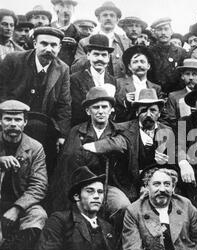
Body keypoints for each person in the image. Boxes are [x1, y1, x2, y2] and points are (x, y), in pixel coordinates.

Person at [48, 86, 130, 234]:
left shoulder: (119, 131)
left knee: (122, 206)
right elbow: (71, 159)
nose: (100, 111)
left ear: (111, 109)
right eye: (95, 107)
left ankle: (115, 246)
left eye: (104, 107)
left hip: (109, 185)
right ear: (88, 111)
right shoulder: (77, 131)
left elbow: (123, 146)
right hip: (82, 185)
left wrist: (94, 147)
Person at [35, 166, 124, 250]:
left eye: (100, 192)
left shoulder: (107, 227)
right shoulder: (61, 220)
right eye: (90, 191)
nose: (96, 196)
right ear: (77, 196)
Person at [83, 88, 176, 202]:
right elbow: (114, 143)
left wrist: (164, 163)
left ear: (159, 113)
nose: (148, 114)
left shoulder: (167, 131)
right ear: (137, 112)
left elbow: (173, 164)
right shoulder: (124, 128)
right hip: (130, 185)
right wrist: (88, 146)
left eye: (153, 110)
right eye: (143, 110)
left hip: (157, 183)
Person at [0, 26, 71, 170]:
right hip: (11, 120)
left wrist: (62, 135)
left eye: (53, 45)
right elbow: (2, 92)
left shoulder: (63, 69)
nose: (49, 49)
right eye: (44, 44)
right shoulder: (14, 60)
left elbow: (64, 105)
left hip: (43, 127)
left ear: (60, 47)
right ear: (34, 44)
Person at [0, 100, 48, 250]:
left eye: (17, 119)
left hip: (21, 202)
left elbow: (39, 185)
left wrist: (17, 209)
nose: (13, 124)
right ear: (0, 121)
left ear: (25, 122)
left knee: (39, 215)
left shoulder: (35, 147)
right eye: (8, 119)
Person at [73, 1, 130, 79]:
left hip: (119, 87)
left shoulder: (125, 42)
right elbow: (76, 68)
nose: (108, 18)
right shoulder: (85, 42)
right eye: (105, 15)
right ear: (99, 19)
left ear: (117, 19)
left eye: (112, 15)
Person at [70, 34, 116, 126]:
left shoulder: (113, 81)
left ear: (108, 58)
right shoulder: (75, 79)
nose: (100, 59)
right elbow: (76, 110)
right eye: (96, 54)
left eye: (104, 55)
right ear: (88, 55)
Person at [115, 45, 161, 122]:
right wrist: (126, 102)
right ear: (129, 66)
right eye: (135, 62)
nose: (139, 65)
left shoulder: (156, 88)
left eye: (142, 62)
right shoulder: (119, 83)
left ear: (148, 66)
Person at [160, 58, 197, 129]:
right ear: (182, 76)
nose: (191, 78)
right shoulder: (174, 96)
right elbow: (171, 121)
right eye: (187, 74)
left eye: (194, 74)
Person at [147, 17, 188, 94]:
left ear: (171, 31)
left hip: (175, 94)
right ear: (154, 33)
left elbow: (184, 76)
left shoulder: (181, 52)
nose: (163, 33)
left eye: (166, 29)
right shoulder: (148, 52)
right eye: (159, 29)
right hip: (154, 93)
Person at [50, 0, 81, 67]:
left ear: (73, 10)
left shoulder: (78, 34)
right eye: (61, 6)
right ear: (54, 9)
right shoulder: (47, 29)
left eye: (68, 7)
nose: (65, 11)